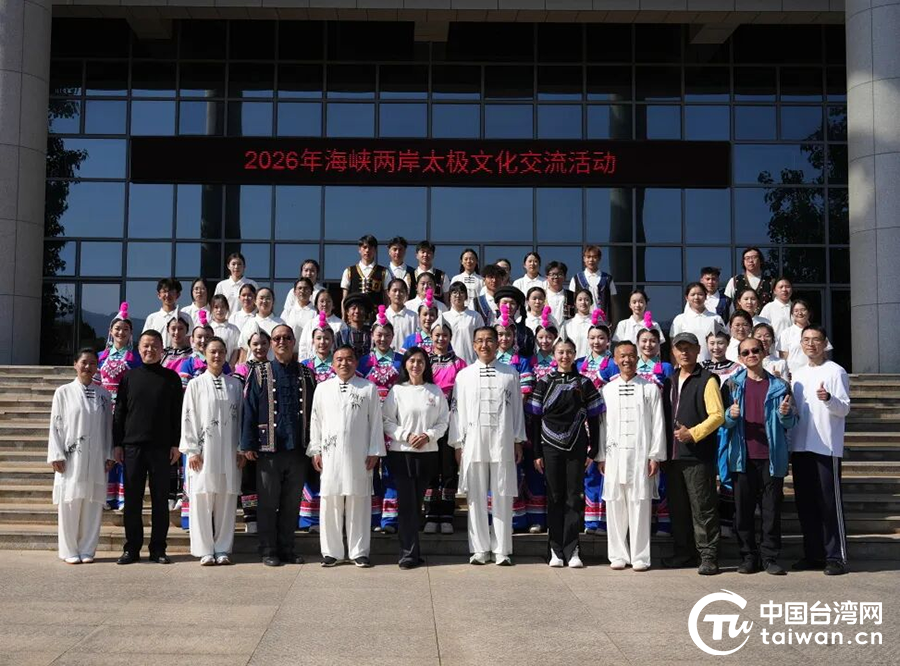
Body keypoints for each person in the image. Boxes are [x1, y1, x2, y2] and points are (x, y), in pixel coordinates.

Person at [449, 327, 527, 566]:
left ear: (497, 343)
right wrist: (457, 444)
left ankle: (502, 549)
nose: (485, 345)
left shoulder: (510, 373)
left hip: (502, 441)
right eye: (480, 341)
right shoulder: (464, 376)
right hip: (473, 442)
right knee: (476, 498)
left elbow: (517, 411)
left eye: (489, 340)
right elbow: (456, 412)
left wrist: (517, 440)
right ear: (473, 345)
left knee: (502, 494)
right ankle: (480, 549)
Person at [719, 337, 797, 575]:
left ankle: (769, 557)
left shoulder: (780, 386)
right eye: (745, 352)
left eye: (755, 350)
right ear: (740, 358)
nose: (751, 355)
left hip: (772, 457)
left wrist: (785, 414)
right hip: (742, 457)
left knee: (771, 511)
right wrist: (730, 415)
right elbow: (722, 422)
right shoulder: (731, 385)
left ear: (763, 352)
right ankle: (748, 557)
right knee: (743, 512)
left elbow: (791, 422)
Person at [241, 324, 316, 566]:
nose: (281, 342)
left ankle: (287, 549)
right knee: (268, 503)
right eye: (277, 338)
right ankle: (268, 550)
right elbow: (249, 409)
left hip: (298, 449)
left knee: (291, 504)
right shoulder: (259, 372)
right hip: (269, 450)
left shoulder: (307, 373)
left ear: (293, 341)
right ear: (271, 344)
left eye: (286, 337)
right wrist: (248, 444)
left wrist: (315, 445)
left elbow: (315, 413)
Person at [528, 337, 603, 568]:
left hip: (576, 446)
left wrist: (594, 449)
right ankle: (555, 549)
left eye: (569, 352)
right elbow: (535, 419)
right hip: (549, 446)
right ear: (554, 354)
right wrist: (537, 453)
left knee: (573, 497)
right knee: (554, 497)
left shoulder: (584, 383)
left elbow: (595, 418)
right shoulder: (544, 383)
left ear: (574, 354)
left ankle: (573, 549)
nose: (564, 356)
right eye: (560, 352)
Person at [309, 345, 386, 567]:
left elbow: (376, 422)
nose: (344, 363)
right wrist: (316, 449)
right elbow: (316, 421)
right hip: (330, 454)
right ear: (333, 363)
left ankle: (359, 551)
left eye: (349, 359)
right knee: (330, 500)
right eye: (339, 359)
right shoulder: (322, 388)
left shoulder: (368, 388)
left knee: (358, 500)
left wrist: (375, 451)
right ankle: (331, 552)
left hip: (359, 453)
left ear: (356, 362)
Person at [113, 330, 183, 565]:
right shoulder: (129, 377)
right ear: (138, 348)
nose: (149, 350)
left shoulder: (171, 378)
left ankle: (158, 548)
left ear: (162, 349)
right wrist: (117, 444)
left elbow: (177, 414)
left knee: (160, 500)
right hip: (132, 447)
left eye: (154, 346)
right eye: (145, 346)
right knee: (132, 500)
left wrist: (176, 443)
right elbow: (120, 412)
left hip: (161, 448)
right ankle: (131, 548)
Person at [599, 341, 666, 571]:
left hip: (640, 455)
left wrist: (655, 455)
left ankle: (640, 556)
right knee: (615, 504)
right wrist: (601, 455)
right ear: (615, 360)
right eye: (622, 356)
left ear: (637, 358)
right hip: (614, 455)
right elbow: (602, 426)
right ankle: (617, 554)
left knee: (640, 505)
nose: (626, 360)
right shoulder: (607, 390)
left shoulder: (650, 389)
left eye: (630, 355)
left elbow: (658, 424)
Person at [661, 332, 725, 575]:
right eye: (680, 348)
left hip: (697, 456)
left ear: (698, 350)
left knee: (703, 508)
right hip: (673, 456)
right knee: (678, 509)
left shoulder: (707, 379)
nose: (684, 352)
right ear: (673, 352)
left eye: (689, 348)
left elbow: (717, 416)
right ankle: (683, 552)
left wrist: (694, 433)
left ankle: (708, 556)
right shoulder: (670, 380)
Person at [790, 324, 851, 576]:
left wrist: (828, 399)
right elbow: (796, 410)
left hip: (826, 446)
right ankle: (813, 554)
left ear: (825, 343)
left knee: (829, 503)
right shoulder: (797, 374)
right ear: (801, 344)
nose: (811, 344)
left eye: (816, 340)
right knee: (805, 504)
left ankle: (836, 556)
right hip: (800, 446)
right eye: (806, 340)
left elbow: (844, 408)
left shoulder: (836, 371)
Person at [382, 347, 450, 568]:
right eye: (412, 361)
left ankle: (413, 550)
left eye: (420, 361)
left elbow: (443, 421)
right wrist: (406, 435)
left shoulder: (434, 391)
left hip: (427, 454)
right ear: (405, 364)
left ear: (426, 365)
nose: (416, 365)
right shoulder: (397, 391)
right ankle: (407, 554)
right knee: (407, 505)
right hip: (402, 454)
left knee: (417, 503)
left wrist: (428, 435)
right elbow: (387, 421)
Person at [179, 337, 244, 565]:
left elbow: (241, 419)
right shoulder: (196, 385)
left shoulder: (235, 385)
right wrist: (192, 450)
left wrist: (240, 449)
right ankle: (205, 549)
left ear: (226, 355)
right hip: (203, 452)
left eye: (221, 352)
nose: (217, 356)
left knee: (226, 499)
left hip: (229, 451)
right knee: (202, 500)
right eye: (212, 352)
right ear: (205, 355)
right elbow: (188, 417)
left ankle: (223, 548)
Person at [49, 348, 115, 564]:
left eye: (93, 363)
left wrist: (109, 453)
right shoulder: (63, 392)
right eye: (84, 362)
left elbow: (108, 427)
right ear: (75, 364)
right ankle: (69, 550)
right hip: (71, 458)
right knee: (70, 502)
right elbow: (56, 425)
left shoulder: (104, 395)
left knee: (92, 503)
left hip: (96, 457)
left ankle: (87, 549)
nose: (88, 367)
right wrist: (56, 454)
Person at [358, 307, 403, 534]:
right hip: (369, 421)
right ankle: (373, 516)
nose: (382, 339)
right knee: (370, 467)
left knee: (392, 469)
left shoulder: (401, 361)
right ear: (372, 336)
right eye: (379, 335)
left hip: (395, 421)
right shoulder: (363, 361)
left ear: (393, 337)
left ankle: (390, 519)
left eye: (387, 335)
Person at [95, 303, 141, 511]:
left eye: (125, 329)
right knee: (105, 449)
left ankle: (122, 496)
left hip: (126, 410)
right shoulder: (100, 357)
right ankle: (104, 494)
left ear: (131, 333)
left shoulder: (135, 358)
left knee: (122, 452)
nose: (121, 332)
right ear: (110, 331)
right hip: (103, 408)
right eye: (117, 328)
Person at [575, 312, 617, 535]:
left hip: (606, 421)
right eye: (592, 338)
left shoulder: (613, 365)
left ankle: (604, 520)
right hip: (582, 423)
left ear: (608, 340)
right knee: (587, 467)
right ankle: (590, 520)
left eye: (601, 338)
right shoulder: (578, 363)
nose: (596, 342)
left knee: (605, 468)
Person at [424, 319, 467, 533]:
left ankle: (447, 515)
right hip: (429, 420)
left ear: (450, 337)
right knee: (431, 467)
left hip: (451, 419)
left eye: (445, 335)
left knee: (449, 468)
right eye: (437, 335)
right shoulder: (424, 361)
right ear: (431, 337)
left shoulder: (459, 363)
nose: (441, 339)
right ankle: (431, 514)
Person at [232, 330, 271, 535]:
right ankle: (250, 517)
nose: (259, 347)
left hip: (269, 431)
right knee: (248, 477)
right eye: (255, 344)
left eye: (263, 343)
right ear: (249, 346)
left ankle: (268, 516)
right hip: (247, 427)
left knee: (268, 477)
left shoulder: (273, 367)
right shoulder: (241, 370)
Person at [670, 282, 726, 363]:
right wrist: (675, 366)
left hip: (712, 365)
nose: (696, 297)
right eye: (693, 295)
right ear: (686, 298)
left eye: (700, 294)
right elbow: (674, 346)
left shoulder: (716, 318)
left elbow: (723, 343)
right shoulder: (680, 319)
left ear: (706, 296)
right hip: (687, 365)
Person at [778, 300, 833, 377]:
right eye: (796, 311)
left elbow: (825, 355)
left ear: (809, 312)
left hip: (816, 373)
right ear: (792, 314)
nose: (800, 313)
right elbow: (783, 358)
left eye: (803, 310)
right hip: (794, 375)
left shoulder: (817, 331)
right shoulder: (786, 333)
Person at [569, 245, 616, 322]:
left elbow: (613, 303)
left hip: (602, 321)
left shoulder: (608, 279)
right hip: (582, 321)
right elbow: (571, 303)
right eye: (588, 257)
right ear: (584, 259)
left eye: (594, 257)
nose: (591, 260)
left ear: (599, 258)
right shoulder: (576, 279)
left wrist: (612, 322)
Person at [443, 281, 484, 365]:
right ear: (449, 296)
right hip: (449, 363)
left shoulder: (475, 316)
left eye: (461, 292)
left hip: (471, 362)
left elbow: (481, 339)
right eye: (454, 292)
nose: (458, 295)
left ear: (466, 296)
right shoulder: (444, 317)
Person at [143, 278, 192, 348]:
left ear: (178, 295)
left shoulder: (185, 317)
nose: (167, 294)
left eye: (171, 291)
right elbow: (145, 341)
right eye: (164, 291)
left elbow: (190, 341)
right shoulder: (152, 318)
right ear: (159, 295)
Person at [298, 290, 346, 360]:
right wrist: (303, 363)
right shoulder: (310, 324)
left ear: (333, 305)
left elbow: (344, 348)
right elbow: (303, 346)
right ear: (316, 304)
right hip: (311, 364)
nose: (325, 304)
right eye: (322, 301)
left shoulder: (340, 324)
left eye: (328, 301)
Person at [342, 234, 388, 308]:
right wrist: (344, 314)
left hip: (375, 314)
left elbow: (387, 299)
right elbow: (344, 299)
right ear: (359, 249)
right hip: (355, 312)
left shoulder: (384, 272)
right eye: (364, 247)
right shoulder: (349, 271)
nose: (367, 250)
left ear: (375, 250)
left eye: (370, 248)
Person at [494, 286, 536, 359]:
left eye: (512, 303)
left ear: (517, 307)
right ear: (498, 305)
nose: (508, 306)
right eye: (505, 303)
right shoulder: (491, 329)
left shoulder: (526, 333)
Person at [384, 279, 418, 353]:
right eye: (394, 290)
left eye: (401, 291)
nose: (397, 294)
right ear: (388, 293)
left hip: (408, 357)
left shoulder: (414, 317)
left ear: (406, 293)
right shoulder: (383, 316)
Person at [336, 292, 373, 359]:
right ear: (347, 312)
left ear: (365, 312)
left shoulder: (372, 334)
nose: (357, 311)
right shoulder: (341, 335)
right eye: (353, 308)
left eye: (361, 308)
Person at [561, 290, 596, 359]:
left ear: (591, 302)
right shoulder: (567, 324)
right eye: (580, 300)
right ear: (575, 303)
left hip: (593, 362)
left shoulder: (597, 324)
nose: (583, 302)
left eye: (586, 300)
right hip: (572, 362)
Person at [401, 290, 440, 354]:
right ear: (419, 316)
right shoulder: (410, 340)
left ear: (437, 317)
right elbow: (401, 359)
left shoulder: (442, 339)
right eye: (425, 314)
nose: (428, 318)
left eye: (432, 315)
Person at [209, 294, 241, 367]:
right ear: (211, 309)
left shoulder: (234, 329)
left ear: (227, 308)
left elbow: (236, 349)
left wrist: (230, 365)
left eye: (222, 307)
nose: (219, 310)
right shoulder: (208, 328)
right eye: (216, 307)